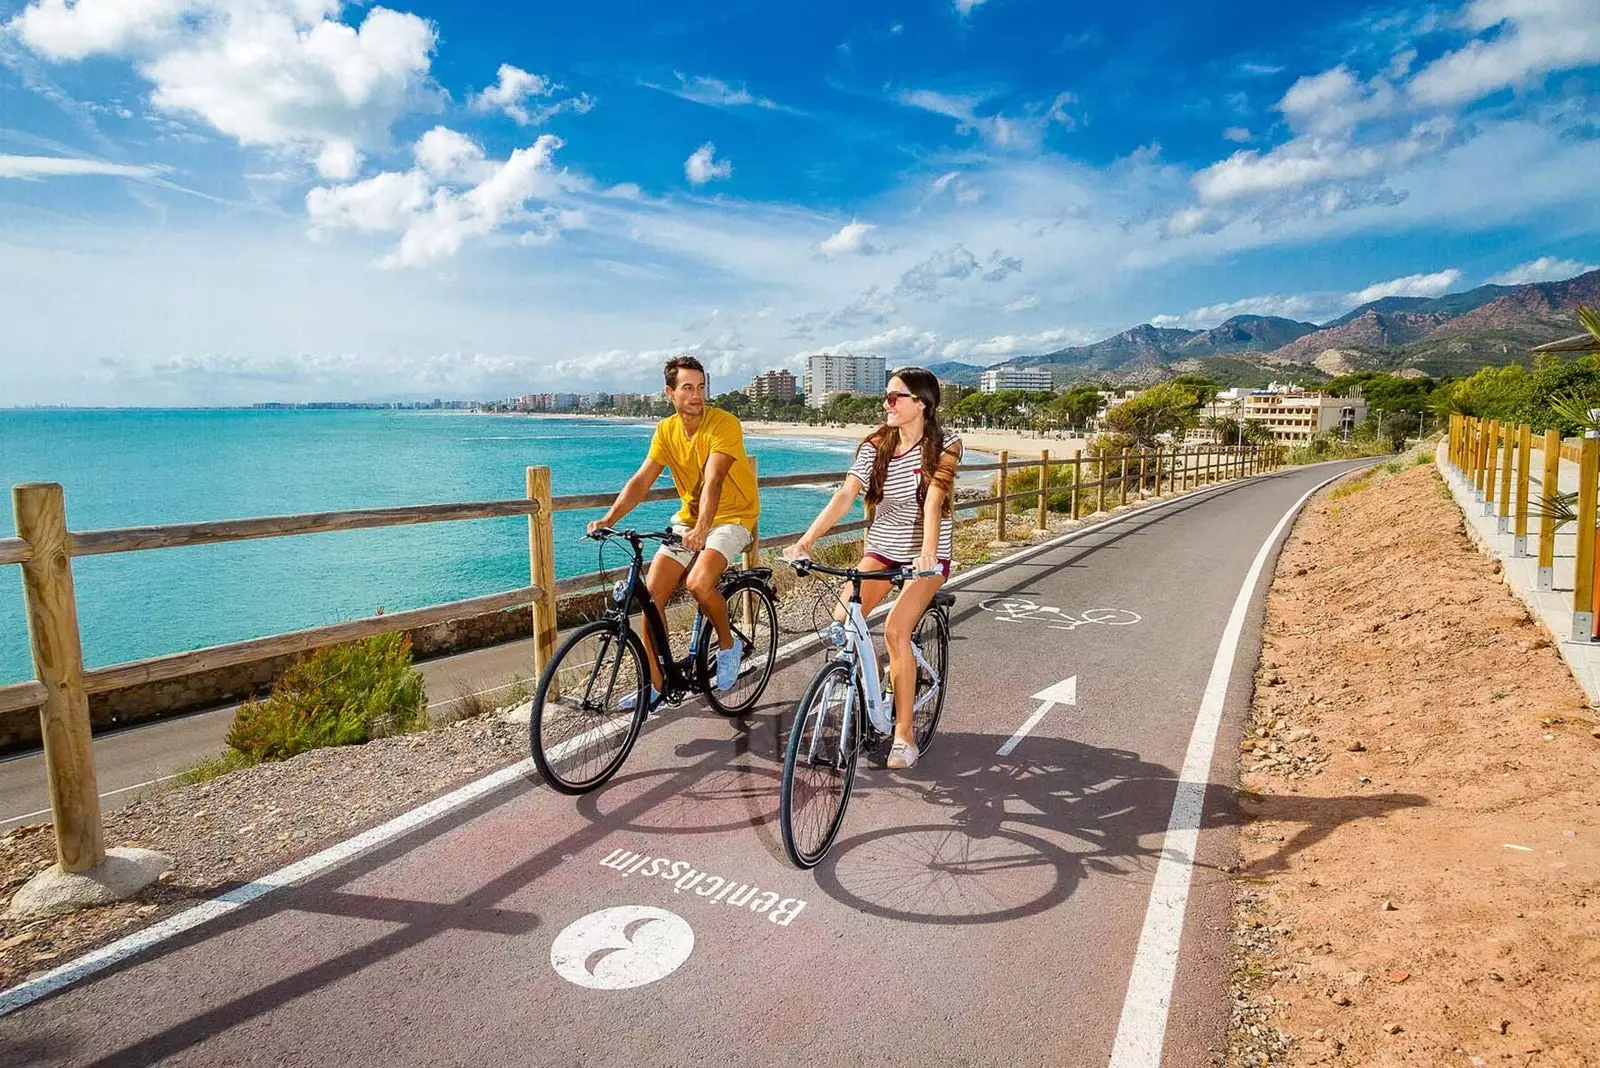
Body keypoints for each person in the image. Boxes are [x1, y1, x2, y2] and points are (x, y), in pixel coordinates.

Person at [783, 367, 961, 769]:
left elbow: (934, 498)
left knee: (897, 630)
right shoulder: (875, 444)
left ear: (922, 404)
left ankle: (903, 736)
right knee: (845, 620)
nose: (888, 404)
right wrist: (805, 542)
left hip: (925, 556)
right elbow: (847, 495)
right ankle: (873, 682)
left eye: (896, 397)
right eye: (886, 396)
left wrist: (929, 551)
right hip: (882, 548)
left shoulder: (947, 443)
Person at [589, 355, 760, 706]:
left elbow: (713, 480)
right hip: (688, 520)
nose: (697, 395)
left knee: (698, 583)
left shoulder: (723, 424)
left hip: (733, 518)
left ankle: (729, 645)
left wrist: (701, 529)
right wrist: (609, 520)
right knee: (651, 599)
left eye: (701, 387)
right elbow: (642, 480)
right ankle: (654, 683)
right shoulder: (666, 430)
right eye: (688, 388)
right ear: (670, 393)